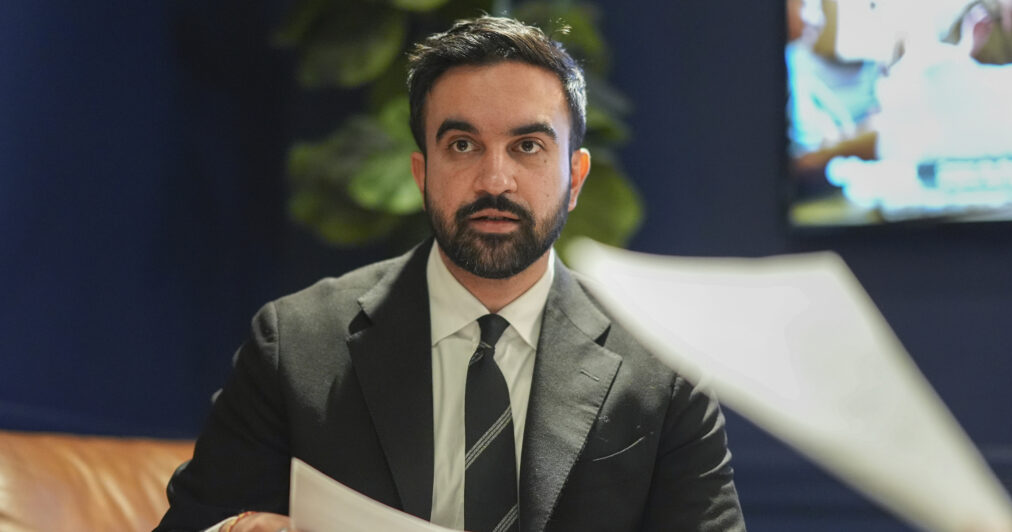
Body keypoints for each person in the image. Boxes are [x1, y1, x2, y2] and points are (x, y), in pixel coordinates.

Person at [156, 15, 745, 532]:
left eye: (528, 147)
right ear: (421, 172)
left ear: (577, 178)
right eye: (463, 145)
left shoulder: (662, 363)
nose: (494, 181)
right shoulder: (296, 345)